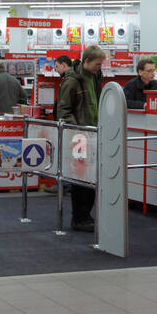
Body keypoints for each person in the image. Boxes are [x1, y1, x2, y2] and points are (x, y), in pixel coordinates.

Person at [56, 45, 106, 231]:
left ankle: (85, 215)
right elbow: (63, 110)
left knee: (91, 178)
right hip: (80, 136)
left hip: (94, 134)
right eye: (97, 64)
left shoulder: (95, 78)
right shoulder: (72, 81)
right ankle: (79, 217)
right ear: (86, 61)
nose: (99, 67)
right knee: (81, 180)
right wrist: (76, 131)